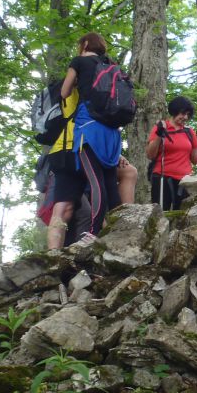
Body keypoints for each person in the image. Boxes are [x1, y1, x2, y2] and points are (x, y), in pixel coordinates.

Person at [59, 32, 123, 241]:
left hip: (89, 129)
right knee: (110, 182)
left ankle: (93, 232)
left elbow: (64, 92)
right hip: (112, 133)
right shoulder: (110, 64)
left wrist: (76, 79)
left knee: (96, 182)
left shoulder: (79, 61)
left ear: (85, 44)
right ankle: (121, 230)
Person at [146, 96, 197, 211]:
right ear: (174, 111)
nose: (185, 117)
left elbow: (195, 160)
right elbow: (150, 154)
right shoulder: (161, 127)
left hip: (185, 181)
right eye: (183, 114)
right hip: (162, 178)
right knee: (161, 215)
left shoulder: (189, 132)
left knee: (183, 216)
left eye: (188, 115)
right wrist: (159, 134)